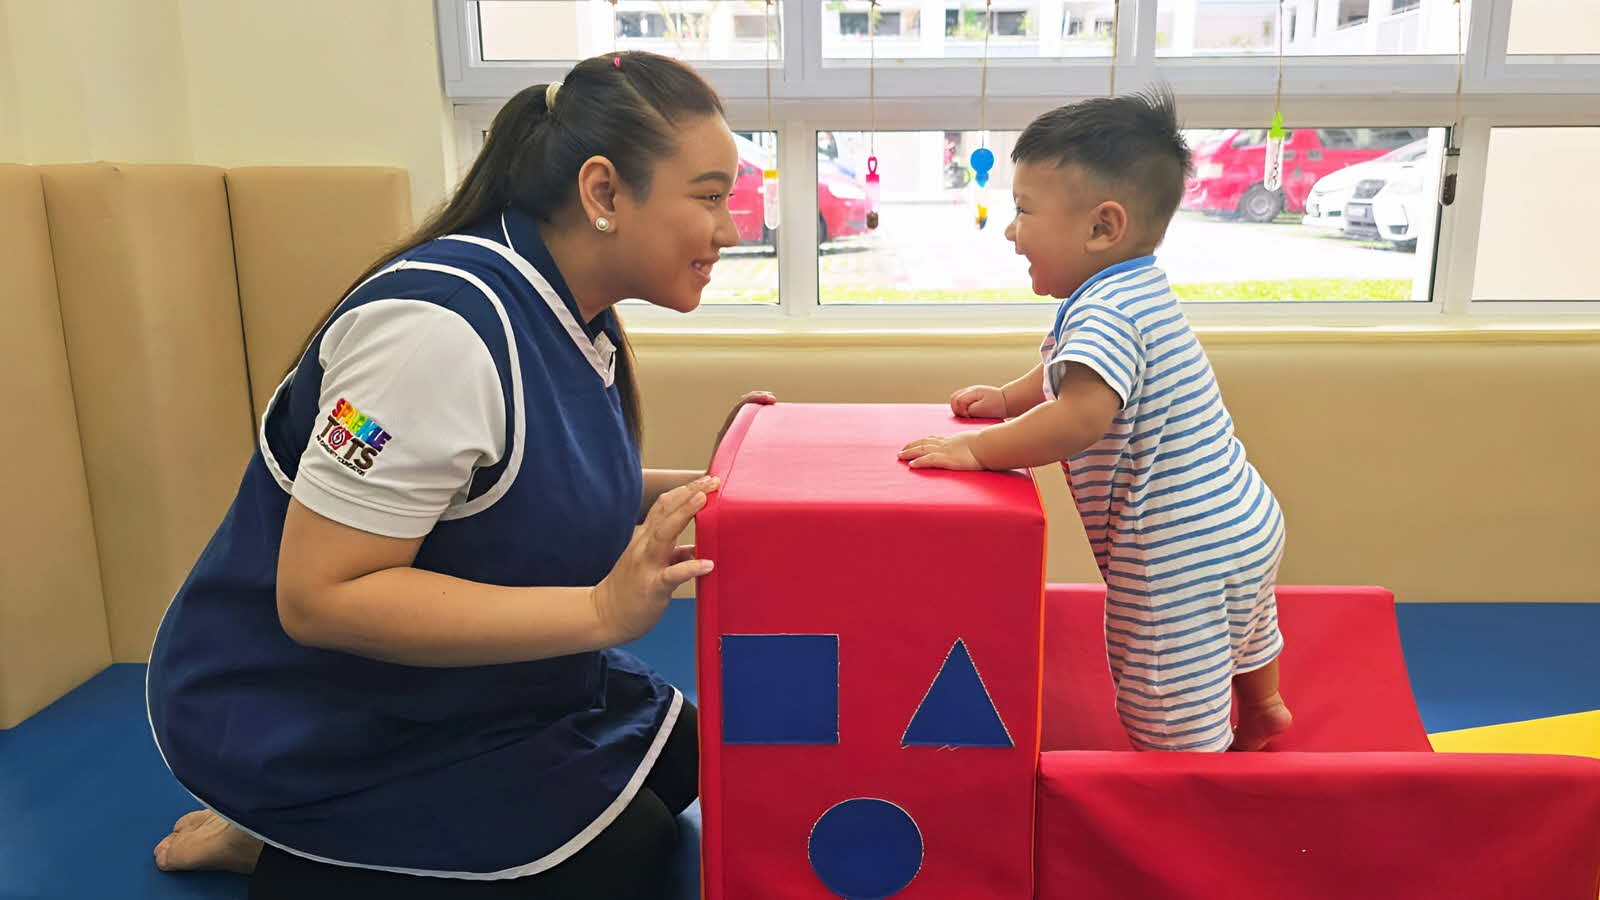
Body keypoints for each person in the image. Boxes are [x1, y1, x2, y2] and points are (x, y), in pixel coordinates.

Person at [147, 51, 772, 898]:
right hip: (311, 712)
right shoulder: (431, 335)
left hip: (456, 689)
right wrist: (599, 612)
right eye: (708, 196)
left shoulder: (567, 310)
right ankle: (281, 843)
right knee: (624, 855)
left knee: (694, 764)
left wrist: (718, 486)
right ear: (603, 194)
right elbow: (320, 596)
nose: (730, 230)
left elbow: (534, 492)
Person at [898, 88, 1292, 753]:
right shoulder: (1133, 288)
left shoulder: (1104, 312)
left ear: (1102, 227)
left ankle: (1190, 771)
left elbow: (1080, 416)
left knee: (1164, 687)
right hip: (1243, 514)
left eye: (1024, 210)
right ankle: (1264, 704)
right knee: (1246, 625)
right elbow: (1064, 368)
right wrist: (1007, 397)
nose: (1010, 230)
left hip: (1175, 549)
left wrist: (979, 451)